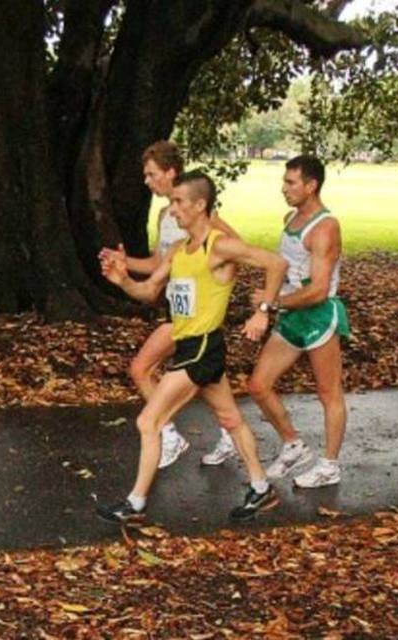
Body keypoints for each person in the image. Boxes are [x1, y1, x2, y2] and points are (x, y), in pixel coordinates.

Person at [96, 170, 289, 523]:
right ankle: (261, 488)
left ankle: (136, 503)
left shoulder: (219, 246)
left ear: (200, 205)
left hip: (201, 348)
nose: (172, 210)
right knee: (230, 418)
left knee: (148, 421)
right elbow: (148, 291)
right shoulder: (177, 251)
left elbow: (276, 263)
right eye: (172, 202)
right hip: (192, 345)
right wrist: (123, 279)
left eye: (179, 202)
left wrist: (263, 311)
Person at [120, 141, 237, 469]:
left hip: (191, 318)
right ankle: (234, 440)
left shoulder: (202, 215)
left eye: (151, 174)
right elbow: (160, 264)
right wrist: (123, 262)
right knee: (212, 385)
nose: (147, 180)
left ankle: (168, 435)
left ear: (171, 172)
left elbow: (235, 249)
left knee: (141, 369)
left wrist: (214, 288)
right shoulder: (163, 215)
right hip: (179, 313)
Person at [245, 155, 351, 488]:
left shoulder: (325, 227)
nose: (284, 188)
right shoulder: (291, 219)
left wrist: (271, 302)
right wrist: (270, 303)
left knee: (328, 392)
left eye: (291, 183)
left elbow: (318, 290)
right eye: (284, 181)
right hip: (291, 315)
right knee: (258, 385)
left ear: (311, 185)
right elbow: (283, 269)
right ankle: (293, 445)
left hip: (318, 317)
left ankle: (330, 465)